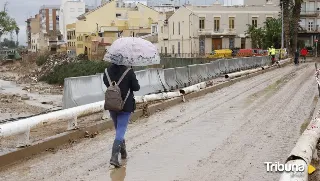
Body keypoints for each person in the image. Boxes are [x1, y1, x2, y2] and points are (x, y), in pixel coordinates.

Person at [103, 63, 140, 167]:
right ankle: (114, 157)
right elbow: (136, 87)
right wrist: (132, 76)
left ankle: (123, 152)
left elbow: (107, 84)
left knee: (118, 129)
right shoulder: (129, 71)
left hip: (112, 104)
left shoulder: (107, 71)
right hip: (125, 105)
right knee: (121, 130)